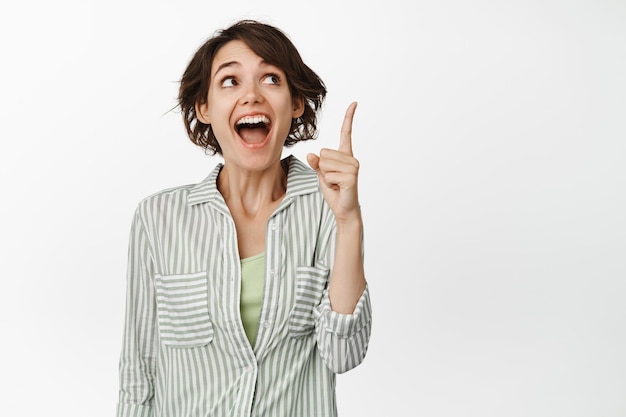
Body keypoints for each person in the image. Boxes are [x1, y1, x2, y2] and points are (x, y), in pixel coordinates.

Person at [116, 19, 372, 417]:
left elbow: (344, 353)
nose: (251, 95)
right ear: (204, 108)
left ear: (296, 103)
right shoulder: (157, 218)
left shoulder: (328, 208)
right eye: (230, 81)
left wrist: (349, 221)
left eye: (271, 78)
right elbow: (139, 376)